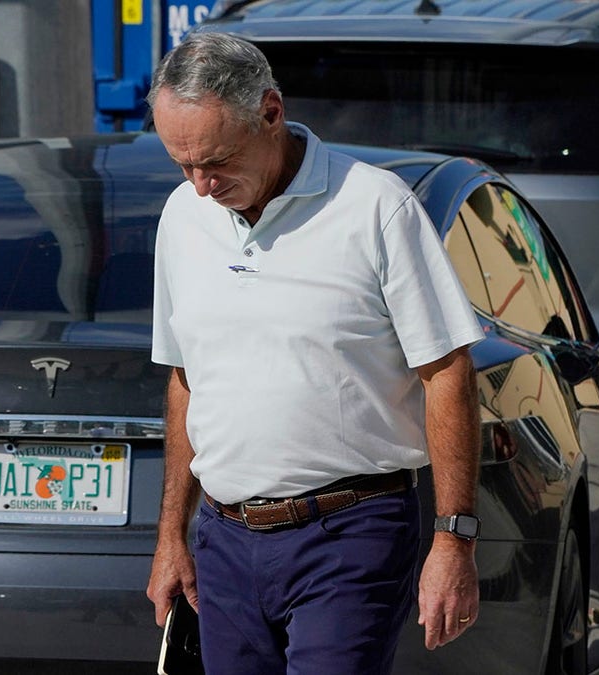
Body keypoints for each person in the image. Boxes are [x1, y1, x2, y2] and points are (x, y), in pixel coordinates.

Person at [144, 32, 484, 674]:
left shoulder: (376, 207)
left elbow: (447, 372)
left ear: (270, 111)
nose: (200, 185)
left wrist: (454, 538)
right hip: (224, 541)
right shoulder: (182, 218)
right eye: (181, 164)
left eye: (215, 160)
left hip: (350, 534)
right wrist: (170, 538)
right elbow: (186, 379)